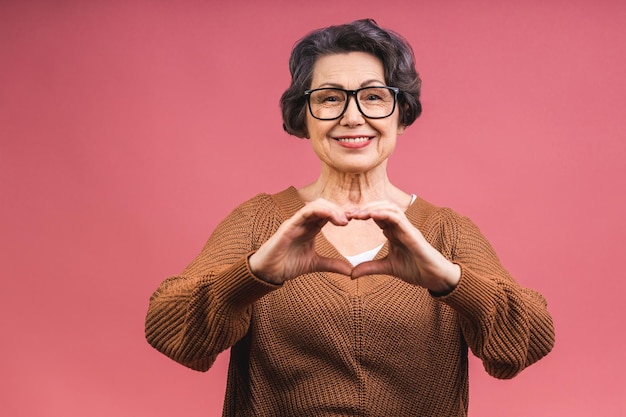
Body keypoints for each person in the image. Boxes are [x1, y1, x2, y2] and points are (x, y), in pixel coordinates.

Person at [145, 18, 555, 416]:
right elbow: (173, 333)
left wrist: (449, 280)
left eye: (373, 96)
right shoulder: (259, 221)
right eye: (329, 98)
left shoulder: (447, 231)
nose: (353, 117)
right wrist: (253, 275)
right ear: (302, 117)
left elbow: (528, 342)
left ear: (402, 111)